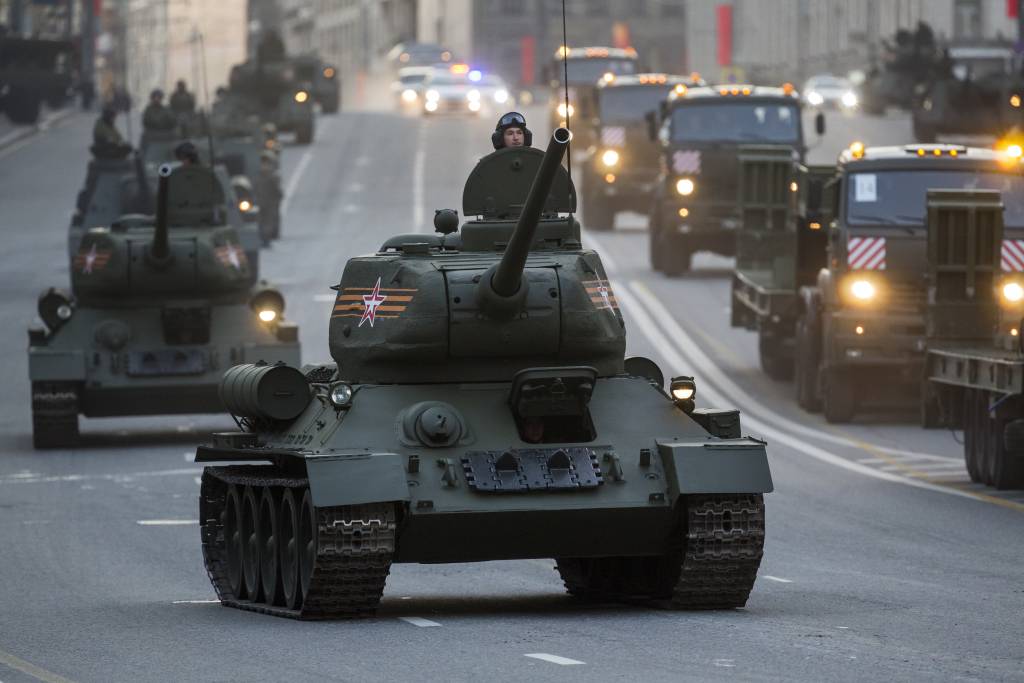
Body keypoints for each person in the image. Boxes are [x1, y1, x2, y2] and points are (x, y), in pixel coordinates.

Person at [256, 150, 283, 244]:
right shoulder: (272, 175)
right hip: (268, 201)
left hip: (266, 200)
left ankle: (265, 236)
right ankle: (266, 237)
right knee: (268, 219)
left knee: (266, 219)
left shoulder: (262, 175)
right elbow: (277, 189)